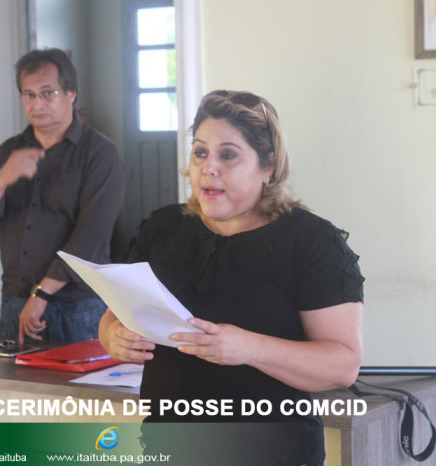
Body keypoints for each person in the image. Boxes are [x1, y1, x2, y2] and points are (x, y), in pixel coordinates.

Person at [98, 90, 364, 465]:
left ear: (268, 165)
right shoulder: (163, 227)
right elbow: (113, 315)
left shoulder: (312, 242)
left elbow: (343, 365)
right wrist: (113, 336)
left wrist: (249, 349)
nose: (209, 168)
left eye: (228, 155)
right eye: (200, 152)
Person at [0, 48, 123, 345]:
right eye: (29, 95)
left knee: (83, 379)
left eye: (48, 93)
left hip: (77, 306)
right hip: (16, 301)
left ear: (71, 93)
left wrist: (42, 293)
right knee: (12, 378)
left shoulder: (99, 153)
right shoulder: (8, 152)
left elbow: (91, 238)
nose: (37, 104)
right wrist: (1, 178)